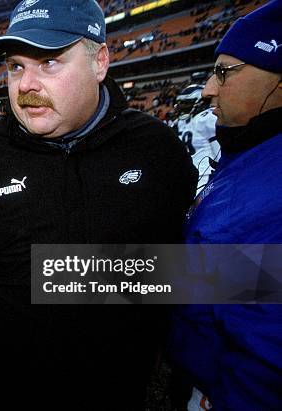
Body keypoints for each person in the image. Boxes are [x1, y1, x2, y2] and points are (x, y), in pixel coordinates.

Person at [0, 0, 197, 409]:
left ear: (99, 61)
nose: (26, 85)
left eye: (48, 63)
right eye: (15, 67)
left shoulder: (157, 150)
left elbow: (187, 267)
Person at [169, 1, 282, 409]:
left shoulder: (271, 187)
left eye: (224, 72)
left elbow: (267, 351)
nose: (207, 89)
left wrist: (71, 275)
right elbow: (215, 273)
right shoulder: (249, 149)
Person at [175, 84, 221, 195]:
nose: (182, 107)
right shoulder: (181, 122)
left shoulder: (207, 117)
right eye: (181, 104)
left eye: (186, 103)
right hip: (189, 177)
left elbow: (219, 153)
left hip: (207, 176)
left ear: (201, 101)